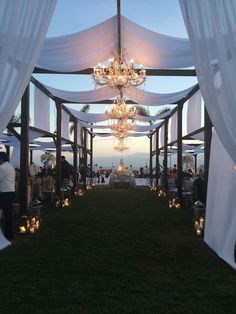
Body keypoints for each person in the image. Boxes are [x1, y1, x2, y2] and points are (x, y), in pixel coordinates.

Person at [0, 152, 16, 240]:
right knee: (8, 215)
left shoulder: (2, 168)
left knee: (7, 215)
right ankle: (9, 234)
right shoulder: (10, 167)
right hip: (11, 191)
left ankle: (8, 234)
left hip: (4, 192)